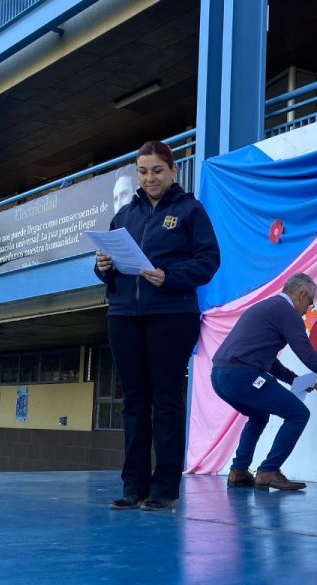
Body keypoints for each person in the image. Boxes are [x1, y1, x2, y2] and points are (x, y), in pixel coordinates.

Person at [94, 140, 220, 511]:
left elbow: (209, 261)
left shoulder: (190, 211)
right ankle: (133, 486)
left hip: (171, 314)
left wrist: (170, 276)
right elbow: (110, 268)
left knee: (165, 400)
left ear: (173, 171)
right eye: (143, 171)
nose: (150, 178)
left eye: (157, 170)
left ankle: (163, 488)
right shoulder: (125, 216)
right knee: (134, 401)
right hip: (123, 315)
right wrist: (102, 268)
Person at [211, 273, 317, 491]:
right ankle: (268, 471)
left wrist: (295, 380)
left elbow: (269, 361)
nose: (307, 310)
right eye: (310, 304)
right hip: (243, 375)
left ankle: (239, 471)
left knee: (258, 415)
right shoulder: (287, 313)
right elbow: (307, 355)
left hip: (219, 376)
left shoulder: (266, 307)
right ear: (301, 295)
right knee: (298, 414)